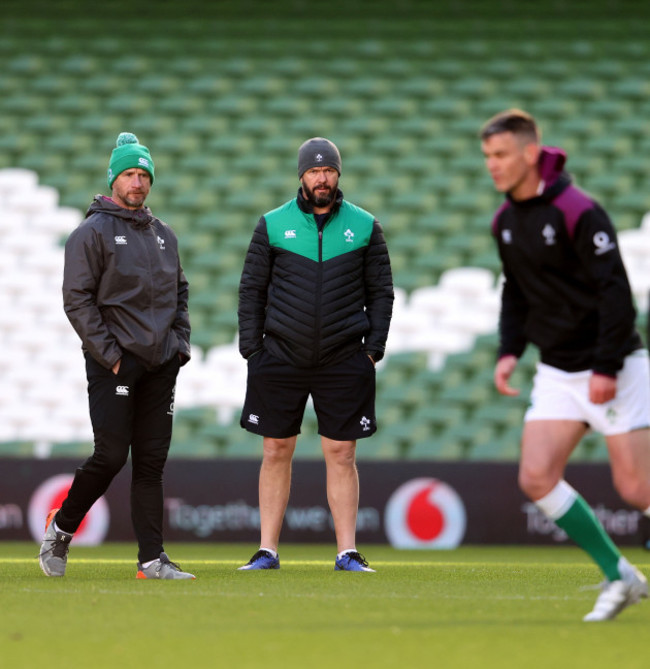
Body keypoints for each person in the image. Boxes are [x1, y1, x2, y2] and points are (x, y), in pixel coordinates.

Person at [481, 109, 650, 621]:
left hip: (614, 365)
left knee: (637, 488)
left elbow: (617, 292)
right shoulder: (504, 222)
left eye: (502, 154)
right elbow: (516, 292)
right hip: (558, 371)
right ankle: (621, 576)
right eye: (487, 156)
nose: (493, 166)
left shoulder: (579, 211)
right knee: (535, 476)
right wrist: (510, 350)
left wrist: (605, 364)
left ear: (530, 153)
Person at [38, 133, 195, 580]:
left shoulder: (165, 235)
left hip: (162, 364)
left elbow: (180, 294)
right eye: (130, 173)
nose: (138, 182)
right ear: (114, 179)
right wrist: (111, 357)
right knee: (110, 457)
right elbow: (77, 300)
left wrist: (178, 346)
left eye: (144, 175)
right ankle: (62, 529)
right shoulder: (90, 233)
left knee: (150, 463)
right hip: (116, 364)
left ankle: (152, 559)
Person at [237, 137, 394, 571]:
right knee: (275, 448)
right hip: (280, 355)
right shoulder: (272, 224)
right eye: (313, 171)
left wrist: (372, 351)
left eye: (328, 171)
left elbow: (381, 292)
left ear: (338, 175)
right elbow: (252, 290)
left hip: (345, 357)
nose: (321, 178)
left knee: (342, 453)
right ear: (301, 176)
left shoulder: (364, 226)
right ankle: (267, 549)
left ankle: (347, 551)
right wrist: (252, 350)